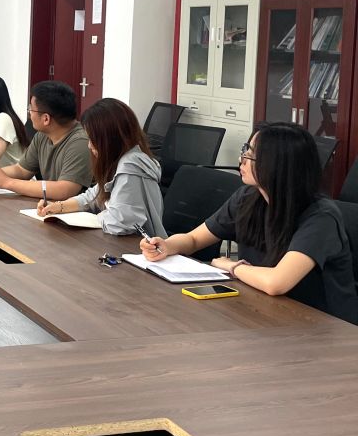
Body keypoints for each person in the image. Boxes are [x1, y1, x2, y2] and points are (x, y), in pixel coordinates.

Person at [140, 122, 357, 324]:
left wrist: (231, 266)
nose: (241, 159)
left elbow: (276, 283)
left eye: (251, 155)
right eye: (246, 150)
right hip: (265, 311)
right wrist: (166, 246)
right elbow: (195, 239)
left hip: (324, 327)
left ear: (277, 165)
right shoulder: (248, 198)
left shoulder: (320, 217)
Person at [35, 98, 166, 237]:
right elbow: (95, 195)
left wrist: (96, 217)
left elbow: (120, 223)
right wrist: (60, 206)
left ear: (109, 139)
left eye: (93, 140)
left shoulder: (130, 167)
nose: (89, 145)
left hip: (138, 246)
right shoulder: (119, 160)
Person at [0, 80, 92, 201]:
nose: (29, 114)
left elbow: (64, 190)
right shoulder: (42, 135)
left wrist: (7, 182)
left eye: (31, 109)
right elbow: (22, 170)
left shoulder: (81, 142)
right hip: (51, 206)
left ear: (46, 119)